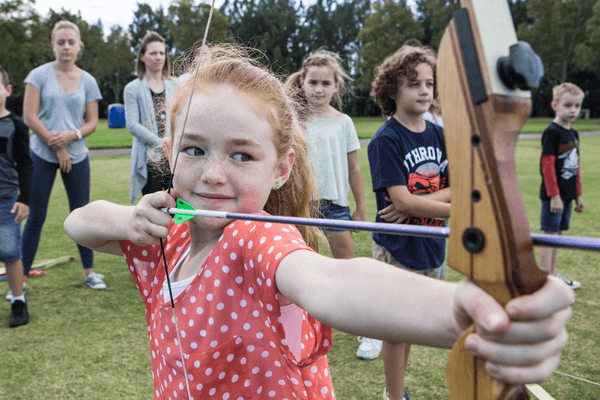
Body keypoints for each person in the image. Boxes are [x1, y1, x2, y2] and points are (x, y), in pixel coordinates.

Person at [64, 45, 573, 400]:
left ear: (280, 168)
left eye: (242, 156)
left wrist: (462, 312)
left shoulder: (253, 236)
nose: (213, 174)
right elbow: (79, 223)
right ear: (169, 152)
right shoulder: (164, 236)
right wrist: (130, 218)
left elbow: (330, 281)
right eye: (194, 149)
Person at [366, 43, 451, 400]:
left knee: (412, 327)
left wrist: (417, 204)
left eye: (429, 84)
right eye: (414, 83)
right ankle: (394, 394)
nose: (424, 91)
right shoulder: (385, 140)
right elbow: (400, 201)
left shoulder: (440, 134)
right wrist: (458, 208)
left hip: (432, 244)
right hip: (398, 249)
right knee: (396, 329)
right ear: (392, 89)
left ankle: (397, 388)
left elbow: (461, 188)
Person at [21, 20, 104, 291]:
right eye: (61, 42)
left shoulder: (88, 81)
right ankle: (20, 279)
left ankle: (90, 272)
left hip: (77, 155)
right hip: (41, 154)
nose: (66, 47)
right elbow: (29, 117)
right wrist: (57, 146)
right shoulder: (38, 75)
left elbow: (92, 122)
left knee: (82, 214)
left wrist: (72, 137)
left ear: (79, 46)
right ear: (53, 45)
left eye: (71, 42)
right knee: (35, 216)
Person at [286, 51, 366, 261]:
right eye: (313, 82)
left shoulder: (344, 122)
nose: (319, 89)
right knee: (305, 265)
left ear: (336, 85)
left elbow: (354, 168)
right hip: (302, 205)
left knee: (347, 265)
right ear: (303, 81)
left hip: (337, 206)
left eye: (325, 83)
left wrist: (361, 208)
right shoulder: (293, 120)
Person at [539, 82, 585, 290]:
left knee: (558, 236)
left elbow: (576, 165)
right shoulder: (552, 132)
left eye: (576, 106)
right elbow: (547, 165)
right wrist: (554, 195)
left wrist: (579, 194)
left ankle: (553, 276)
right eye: (568, 105)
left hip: (568, 195)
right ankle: (544, 280)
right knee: (549, 236)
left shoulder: (573, 134)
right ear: (555, 105)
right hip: (554, 196)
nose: (573, 110)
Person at [124, 31, 177, 204]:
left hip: (173, 158)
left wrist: (171, 144)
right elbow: (132, 125)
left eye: (162, 53)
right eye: (153, 53)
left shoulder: (175, 85)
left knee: (178, 207)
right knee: (153, 210)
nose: (158, 57)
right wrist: (160, 143)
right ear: (142, 56)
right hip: (148, 159)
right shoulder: (132, 88)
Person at [0, 66, 33, 327]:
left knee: (10, 252)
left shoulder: (16, 126)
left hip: (7, 199)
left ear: (7, 90)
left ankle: (18, 301)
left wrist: (25, 198)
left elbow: (25, 164)